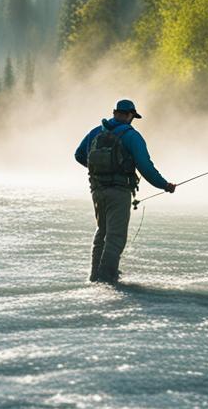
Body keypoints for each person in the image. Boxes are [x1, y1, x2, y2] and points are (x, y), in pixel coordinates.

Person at [74, 99, 175, 283]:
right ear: (129, 115)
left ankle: (95, 275)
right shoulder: (132, 136)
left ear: (114, 113)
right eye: (132, 116)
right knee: (116, 236)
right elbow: (145, 166)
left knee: (102, 232)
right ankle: (107, 277)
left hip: (97, 189)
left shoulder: (96, 132)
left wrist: (99, 169)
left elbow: (79, 155)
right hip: (119, 191)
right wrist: (164, 185)